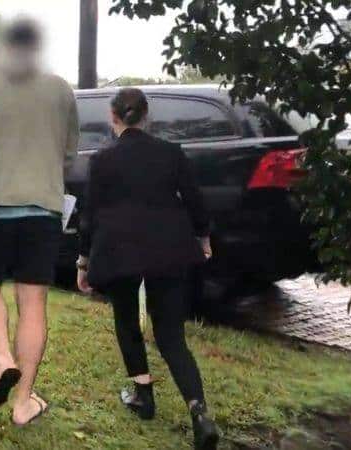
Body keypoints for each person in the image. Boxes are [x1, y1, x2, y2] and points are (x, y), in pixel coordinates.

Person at [0, 18, 79, 426]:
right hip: (43, 207)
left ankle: (3, 358)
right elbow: (69, 154)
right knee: (33, 302)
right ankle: (23, 403)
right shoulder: (61, 89)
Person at [76, 88, 219, 449]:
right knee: (171, 335)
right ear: (146, 116)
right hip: (169, 248)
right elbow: (195, 200)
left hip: (118, 250)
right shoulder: (171, 153)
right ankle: (199, 411)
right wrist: (202, 238)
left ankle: (143, 395)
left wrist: (83, 260)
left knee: (126, 321)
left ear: (113, 117)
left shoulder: (102, 160)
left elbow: (89, 215)